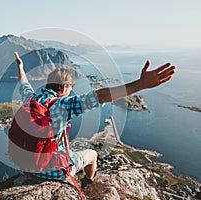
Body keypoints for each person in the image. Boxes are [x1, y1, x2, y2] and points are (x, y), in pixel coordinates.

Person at [13, 51, 176, 187]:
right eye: (71, 88)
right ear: (63, 88)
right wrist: (140, 84)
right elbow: (101, 96)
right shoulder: (63, 105)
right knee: (92, 154)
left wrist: (20, 67)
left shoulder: (31, 99)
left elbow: (24, 84)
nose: (71, 92)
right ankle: (89, 183)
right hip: (54, 170)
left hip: (26, 165)